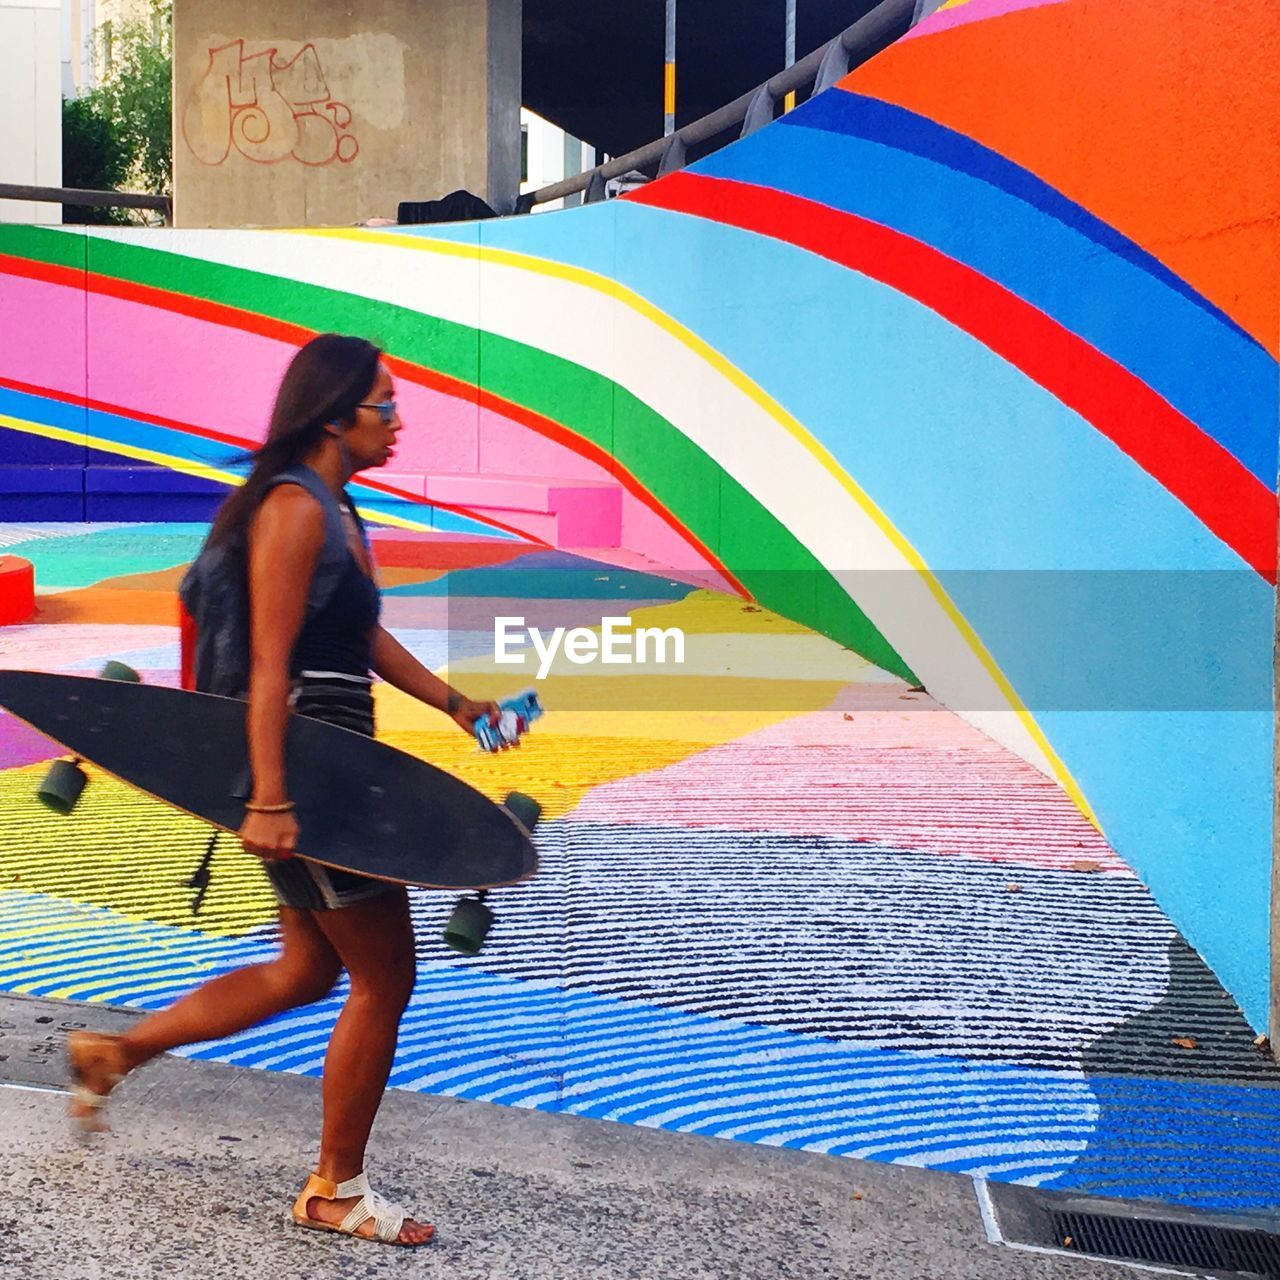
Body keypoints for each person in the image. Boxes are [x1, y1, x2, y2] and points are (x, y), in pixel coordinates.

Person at [64, 334, 503, 1248]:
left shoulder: (338, 510)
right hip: (312, 775)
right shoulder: (292, 511)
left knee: (308, 968)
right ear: (335, 414)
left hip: (329, 765)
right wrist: (270, 797)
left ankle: (115, 1053)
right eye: (386, 405)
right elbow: (270, 665)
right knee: (387, 975)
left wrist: (457, 703)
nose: (399, 422)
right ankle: (333, 1190)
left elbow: (360, 638)